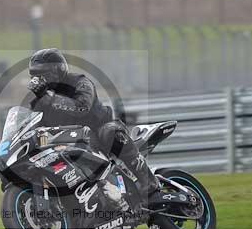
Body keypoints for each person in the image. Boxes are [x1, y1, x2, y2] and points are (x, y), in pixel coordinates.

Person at [26, 48, 159, 199]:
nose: (40, 79)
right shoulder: (39, 101)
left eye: (44, 74)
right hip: (68, 142)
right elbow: (33, 125)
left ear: (59, 70)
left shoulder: (80, 82)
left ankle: (149, 181)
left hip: (99, 132)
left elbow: (82, 107)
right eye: (36, 76)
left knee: (111, 132)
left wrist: (50, 98)